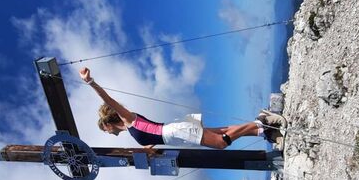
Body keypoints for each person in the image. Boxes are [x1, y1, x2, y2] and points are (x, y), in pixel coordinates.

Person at [79, 67, 286, 150]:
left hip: (174, 132)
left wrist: (91, 83)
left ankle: (261, 122)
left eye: (104, 130)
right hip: (173, 132)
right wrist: (146, 149)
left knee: (221, 143)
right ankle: (262, 131)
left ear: (108, 123)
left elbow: (109, 99)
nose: (107, 133)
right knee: (222, 132)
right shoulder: (129, 129)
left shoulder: (127, 120)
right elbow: (150, 139)